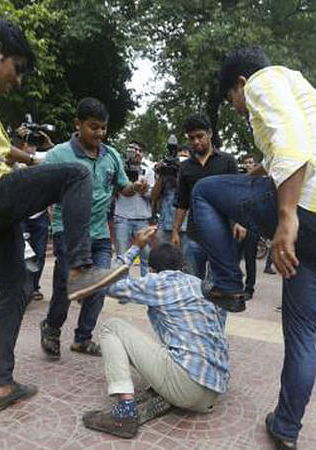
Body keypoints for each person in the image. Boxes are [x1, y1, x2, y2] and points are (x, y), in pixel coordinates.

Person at [0, 18, 127, 415]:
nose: (16, 81)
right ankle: (81, 268)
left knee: (16, 290)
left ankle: (0, 385)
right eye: (17, 69)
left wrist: (32, 157)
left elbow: (1, 150)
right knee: (77, 174)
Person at [195, 46, 316, 449]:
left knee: (203, 191)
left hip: (306, 203)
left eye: (233, 99)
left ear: (240, 82)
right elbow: (298, 144)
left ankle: (230, 284)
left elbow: (290, 144)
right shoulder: (306, 93)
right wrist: (262, 169)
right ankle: (286, 427)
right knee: (302, 332)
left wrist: (287, 217)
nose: (238, 108)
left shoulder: (262, 81)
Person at [82, 226, 229, 439]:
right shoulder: (200, 285)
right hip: (213, 391)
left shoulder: (158, 281)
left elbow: (106, 284)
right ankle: (167, 393)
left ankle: (125, 414)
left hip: (188, 384)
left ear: (151, 270)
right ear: (182, 265)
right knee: (167, 343)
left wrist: (135, 247)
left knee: (111, 327)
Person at [39, 97, 147, 359]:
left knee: (99, 285)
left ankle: (82, 338)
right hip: (69, 233)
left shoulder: (111, 156)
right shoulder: (58, 155)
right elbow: (42, 189)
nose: (99, 133)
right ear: (78, 124)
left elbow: (124, 188)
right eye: (93, 127)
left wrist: (136, 188)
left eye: (103, 128)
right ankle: (52, 329)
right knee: (69, 285)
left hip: (99, 234)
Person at [171, 115, 239, 281]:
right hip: (194, 235)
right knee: (193, 283)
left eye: (199, 136)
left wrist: (239, 223)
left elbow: (237, 196)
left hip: (223, 234)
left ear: (210, 133)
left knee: (220, 285)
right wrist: (175, 231)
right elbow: (182, 202)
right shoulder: (185, 167)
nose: (195, 142)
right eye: (191, 138)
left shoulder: (227, 161)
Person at [16, 124, 55, 301]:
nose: (31, 145)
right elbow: (4, 155)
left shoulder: (43, 157)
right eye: (27, 141)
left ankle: (33, 287)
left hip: (40, 215)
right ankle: (18, 287)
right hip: (20, 215)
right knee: (21, 252)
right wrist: (17, 141)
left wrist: (49, 144)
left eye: (34, 141)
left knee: (39, 253)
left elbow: (63, 157)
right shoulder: (15, 158)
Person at [114, 140, 155, 275]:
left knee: (146, 257)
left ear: (143, 154)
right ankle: (123, 290)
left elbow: (153, 195)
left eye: (140, 150)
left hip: (142, 218)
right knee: (122, 257)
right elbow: (113, 190)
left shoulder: (149, 170)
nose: (137, 153)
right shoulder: (119, 169)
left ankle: (146, 288)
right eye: (133, 150)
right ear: (128, 152)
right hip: (122, 217)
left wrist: (144, 191)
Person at [239, 154, 261, 296]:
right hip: (239, 224)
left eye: (250, 162)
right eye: (245, 163)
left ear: (255, 165)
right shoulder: (240, 181)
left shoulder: (260, 182)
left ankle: (249, 288)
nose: (247, 165)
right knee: (234, 256)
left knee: (250, 258)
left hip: (253, 225)